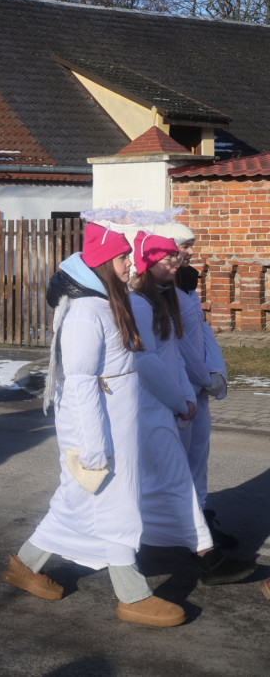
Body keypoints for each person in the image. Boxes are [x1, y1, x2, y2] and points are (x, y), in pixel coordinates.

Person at [1, 222, 185, 626]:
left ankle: (24, 565)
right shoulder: (85, 314)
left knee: (80, 504)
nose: (129, 264)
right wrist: (94, 446)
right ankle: (132, 596)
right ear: (103, 263)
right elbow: (82, 383)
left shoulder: (107, 303)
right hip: (98, 431)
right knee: (113, 507)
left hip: (117, 427)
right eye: (122, 258)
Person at [128, 228, 254, 585]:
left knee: (177, 476)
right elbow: (148, 361)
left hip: (178, 399)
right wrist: (181, 397)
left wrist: (198, 383)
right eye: (173, 253)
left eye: (180, 252)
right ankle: (198, 555)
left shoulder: (169, 295)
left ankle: (195, 546)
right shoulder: (140, 303)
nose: (180, 259)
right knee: (171, 479)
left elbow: (183, 347)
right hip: (157, 405)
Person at [151, 218, 236, 549]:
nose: (189, 253)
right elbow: (179, 343)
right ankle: (183, 531)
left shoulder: (186, 284)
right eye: (184, 247)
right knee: (180, 463)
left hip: (199, 389)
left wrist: (216, 371)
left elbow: (202, 329)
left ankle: (199, 520)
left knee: (199, 458)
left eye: (190, 247)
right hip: (180, 390)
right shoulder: (162, 291)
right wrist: (203, 377)